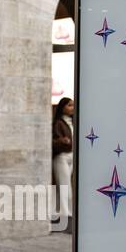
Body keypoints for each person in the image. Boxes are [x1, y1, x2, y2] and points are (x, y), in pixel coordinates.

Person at [52, 97, 74, 230]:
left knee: (66, 185)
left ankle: (62, 212)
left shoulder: (71, 122)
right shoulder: (58, 123)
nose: (72, 108)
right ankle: (65, 214)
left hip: (71, 156)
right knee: (65, 186)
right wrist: (62, 141)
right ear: (63, 107)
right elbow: (54, 140)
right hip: (61, 156)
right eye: (69, 105)